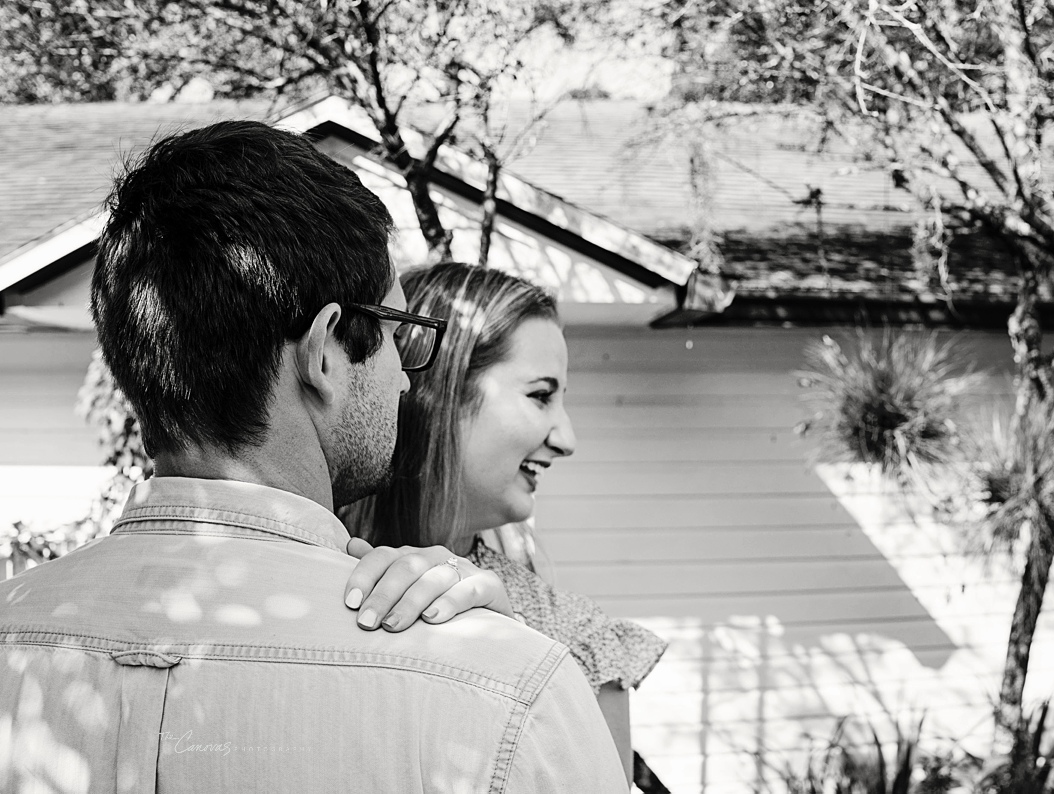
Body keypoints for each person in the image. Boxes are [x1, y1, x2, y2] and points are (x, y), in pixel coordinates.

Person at [0, 121, 627, 793]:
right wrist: (492, 660)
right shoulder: (508, 690)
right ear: (326, 351)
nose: (407, 379)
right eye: (396, 335)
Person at [341, 262, 668, 784]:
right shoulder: (305, 568)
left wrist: (515, 664)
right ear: (437, 393)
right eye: (541, 395)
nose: (567, 438)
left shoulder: (573, 638)